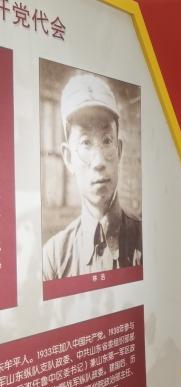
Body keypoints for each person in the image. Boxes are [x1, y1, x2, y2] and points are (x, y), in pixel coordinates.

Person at [42, 73, 141, 281]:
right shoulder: (53, 259)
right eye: (86, 142)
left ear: (119, 150)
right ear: (68, 158)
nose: (99, 162)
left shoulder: (147, 239)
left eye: (107, 140)